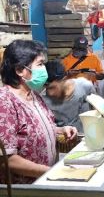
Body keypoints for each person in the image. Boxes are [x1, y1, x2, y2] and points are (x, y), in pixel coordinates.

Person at [0, 40, 77, 184]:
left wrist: (60, 130)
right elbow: (6, 159)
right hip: (23, 188)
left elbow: (34, 130)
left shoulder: (34, 96)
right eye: (40, 64)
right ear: (19, 70)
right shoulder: (4, 102)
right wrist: (50, 171)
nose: (44, 69)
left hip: (43, 181)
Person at [43, 60, 96, 133]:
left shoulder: (84, 87)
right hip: (63, 141)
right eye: (46, 87)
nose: (50, 93)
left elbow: (96, 110)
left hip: (87, 137)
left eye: (53, 88)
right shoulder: (43, 100)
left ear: (64, 80)